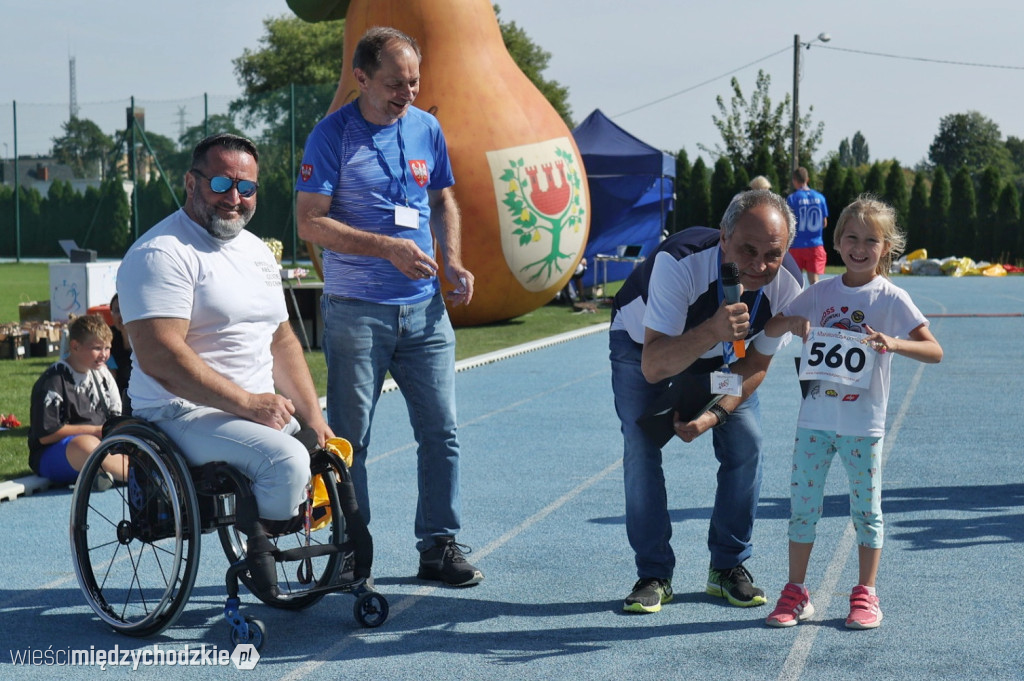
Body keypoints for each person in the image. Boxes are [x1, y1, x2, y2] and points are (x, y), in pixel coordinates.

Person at [295, 27, 482, 587]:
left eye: (414, 82)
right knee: (352, 438)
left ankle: (439, 546)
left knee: (441, 432)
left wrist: (450, 261)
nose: (408, 93)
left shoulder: (427, 127)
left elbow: (443, 197)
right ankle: (351, 548)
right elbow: (310, 221)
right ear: (361, 78)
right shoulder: (332, 136)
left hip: (425, 312)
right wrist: (389, 248)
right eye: (396, 83)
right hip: (357, 311)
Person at [117, 133, 333, 533]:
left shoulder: (257, 252)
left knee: (328, 452)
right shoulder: (162, 253)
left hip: (248, 412)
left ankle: (326, 560)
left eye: (246, 187)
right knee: (285, 460)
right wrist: (250, 404)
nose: (234, 197)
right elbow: (160, 356)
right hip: (178, 413)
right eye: (221, 183)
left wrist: (314, 418)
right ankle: (261, 556)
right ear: (191, 183)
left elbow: (281, 340)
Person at [610, 190, 803, 614]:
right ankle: (654, 573)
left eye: (773, 253)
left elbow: (754, 365)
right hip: (643, 345)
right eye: (747, 250)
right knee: (641, 448)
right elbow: (655, 365)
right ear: (723, 237)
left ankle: (728, 567)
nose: (759, 266)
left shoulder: (789, 284)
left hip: (723, 358)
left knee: (747, 442)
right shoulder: (678, 264)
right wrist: (712, 330)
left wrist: (713, 415)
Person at [759, 196, 942, 630]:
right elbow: (769, 327)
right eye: (852, 238)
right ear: (837, 241)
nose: (860, 247)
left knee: (867, 511)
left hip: (864, 427)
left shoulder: (891, 297)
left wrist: (894, 343)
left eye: (871, 240)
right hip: (815, 424)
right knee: (803, 508)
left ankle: (865, 593)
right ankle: (796, 591)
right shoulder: (820, 292)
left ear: (886, 248)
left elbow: (934, 350)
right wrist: (793, 323)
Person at [28, 314, 126, 489]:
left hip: (100, 444)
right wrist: (96, 431)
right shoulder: (54, 379)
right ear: (75, 346)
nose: (104, 355)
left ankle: (105, 472)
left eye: (107, 348)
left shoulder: (103, 375)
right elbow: (46, 435)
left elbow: (115, 417)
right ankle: (135, 475)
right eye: (97, 348)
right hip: (56, 452)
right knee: (86, 445)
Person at [786, 167, 829, 286]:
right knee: (814, 281)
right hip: (815, 245)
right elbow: (824, 223)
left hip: (796, 245)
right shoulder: (820, 198)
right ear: (807, 179)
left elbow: (788, 222)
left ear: (794, 180)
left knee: (795, 282)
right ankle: (817, 304)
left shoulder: (792, 198)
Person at [107, 293, 133, 415]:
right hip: (112, 399)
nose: (121, 315)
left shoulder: (143, 340)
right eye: (117, 311)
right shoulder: (107, 337)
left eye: (125, 309)